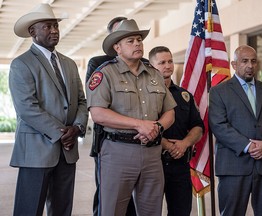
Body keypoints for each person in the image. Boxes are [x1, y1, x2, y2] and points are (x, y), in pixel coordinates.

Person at [86, 19, 176, 215]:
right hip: (118, 152)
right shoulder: (104, 73)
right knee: (112, 210)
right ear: (117, 47)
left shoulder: (154, 74)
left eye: (139, 40)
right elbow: (98, 113)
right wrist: (140, 125)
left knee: (151, 211)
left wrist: (157, 127)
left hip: (152, 154)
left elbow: (170, 111)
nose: (137, 43)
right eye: (130, 41)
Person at [9, 3, 88, 216]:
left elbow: (82, 101)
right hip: (36, 151)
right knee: (29, 209)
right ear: (32, 32)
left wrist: (78, 127)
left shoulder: (70, 64)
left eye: (56, 26)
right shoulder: (21, 64)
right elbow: (27, 108)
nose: (54, 30)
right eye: (47, 26)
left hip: (67, 151)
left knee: (62, 209)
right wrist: (62, 133)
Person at [209, 45, 262, 216]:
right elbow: (218, 125)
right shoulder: (218, 92)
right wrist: (247, 146)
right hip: (233, 166)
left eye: (253, 61)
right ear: (234, 65)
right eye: (244, 61)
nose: (250, 65)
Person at [86, 16, 137, 216]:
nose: (131, 41)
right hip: (109, 140)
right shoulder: (99, 64)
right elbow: (97, 104)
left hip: (141, 142)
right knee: (108, 195)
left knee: (137, 195)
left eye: (133, 36)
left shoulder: (145, 65)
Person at [149, 46, 204, 216]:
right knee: (148, 211)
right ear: (151, 66)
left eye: (170, 61)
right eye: (162, 62)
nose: (168, 66)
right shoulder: (144, 95)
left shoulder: (184, 95)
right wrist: (166, 144)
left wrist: (184, 144)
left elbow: (198, 126)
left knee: (181, 211)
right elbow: (144, 124)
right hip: (152, 163)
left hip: (180, 165)